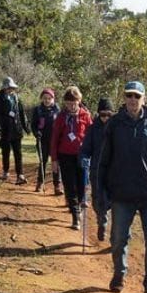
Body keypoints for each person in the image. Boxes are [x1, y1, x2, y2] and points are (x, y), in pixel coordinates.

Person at [95, 81, 147, 293]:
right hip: (122, 194)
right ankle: (119, 273)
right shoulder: (115, 125)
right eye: (129, 95)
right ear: (124, 97)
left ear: (144, 99)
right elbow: (104, 161)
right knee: (118, 239)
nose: (132, 99)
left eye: (137, 95)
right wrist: (102, 193)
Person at [49, 86, 92, 229]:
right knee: (70, 185)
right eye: (68, 103)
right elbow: (54, 138)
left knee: (81, 186)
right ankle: (75, 216)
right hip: (65, 155)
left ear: (79, 101)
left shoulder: (86, 115)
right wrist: (54, 159)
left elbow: (91, 136)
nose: (71, 106)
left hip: (81, 155)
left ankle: (77, 204)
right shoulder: (61, 117)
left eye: (74, 103)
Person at [80, 97, 114, 242]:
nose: (105, 117)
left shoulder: (118, 128)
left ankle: (116, 236)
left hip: (115, 171)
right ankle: (102, 221)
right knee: (97, 200)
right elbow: (85, 148)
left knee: (115, 203)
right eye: (102, 114)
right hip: (97, 170)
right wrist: (83, 158)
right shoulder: (93, 129)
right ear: (98, 114)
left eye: (108, 114)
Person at [0, 77, 29, 184]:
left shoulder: (17, 99)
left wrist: (26, 127)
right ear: (4, 88)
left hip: (16, 130)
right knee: (6, 152)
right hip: (5, 130)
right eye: (9, 88)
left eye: (12, 88)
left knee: (18, 153)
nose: (11, 90)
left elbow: (21, 113)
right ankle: (6, 170)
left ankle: (20, 175)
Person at [30, 88, 61, 194]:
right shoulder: (37, 110)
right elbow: (33, 125)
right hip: (42, 140)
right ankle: (39, 183)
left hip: (55, 142)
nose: (47, 100)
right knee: (42, 162)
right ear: (41, 99)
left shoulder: (57, 110)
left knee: (55, 163)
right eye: (45, 98)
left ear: (53, 99)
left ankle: (57, 186)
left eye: (49, 98)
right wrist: (36, 133)